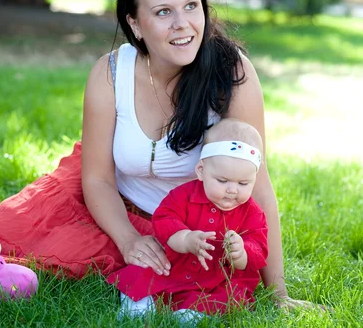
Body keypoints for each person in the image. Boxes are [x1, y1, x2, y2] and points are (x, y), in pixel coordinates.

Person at [0, 0, 314, 311]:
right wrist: (129, 239)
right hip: (107, 205)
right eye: (163, 12)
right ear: (135, 24)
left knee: (172, 284)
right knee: (3, 239)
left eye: (191, 6)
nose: (183, 24)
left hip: (186, 226)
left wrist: (278, 293)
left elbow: (257, 186)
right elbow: (96, 177)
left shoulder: (232, 72)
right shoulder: (111, 73)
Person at [108, 119, 268, 322]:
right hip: (175, 264)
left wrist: (241, 252)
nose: (232, 190)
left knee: (231, 293)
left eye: (244, 183)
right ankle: (138, 303)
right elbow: (164, 219)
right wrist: (185, 239)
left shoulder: (252, 213)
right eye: (222, 180)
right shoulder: (183, 195)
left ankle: (195, 312)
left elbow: (259, 248)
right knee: (147, 268)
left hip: (217, 276)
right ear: (201, 171)